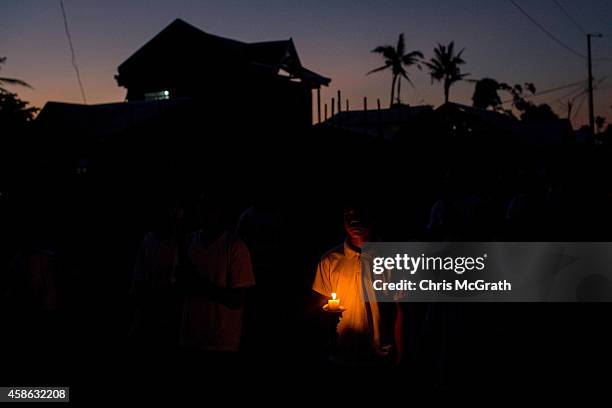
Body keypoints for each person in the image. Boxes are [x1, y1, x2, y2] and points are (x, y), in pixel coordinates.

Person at [312, 205, 403, 365]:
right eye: (349, 215)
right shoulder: (330, 260)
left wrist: (401, 354)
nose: (355, 221)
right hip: (341, 353)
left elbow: (402, 312)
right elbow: (321, 310)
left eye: (360, 215)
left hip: (380, 354)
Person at [179, 193, 255, 357]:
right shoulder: (187, 242)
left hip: (221, 343)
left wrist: (200, 285)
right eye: (201, 207)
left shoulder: (235, 248)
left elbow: (238, 299)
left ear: (220, 212)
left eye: (210, 208)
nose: (205, 212)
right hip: (190, 337)